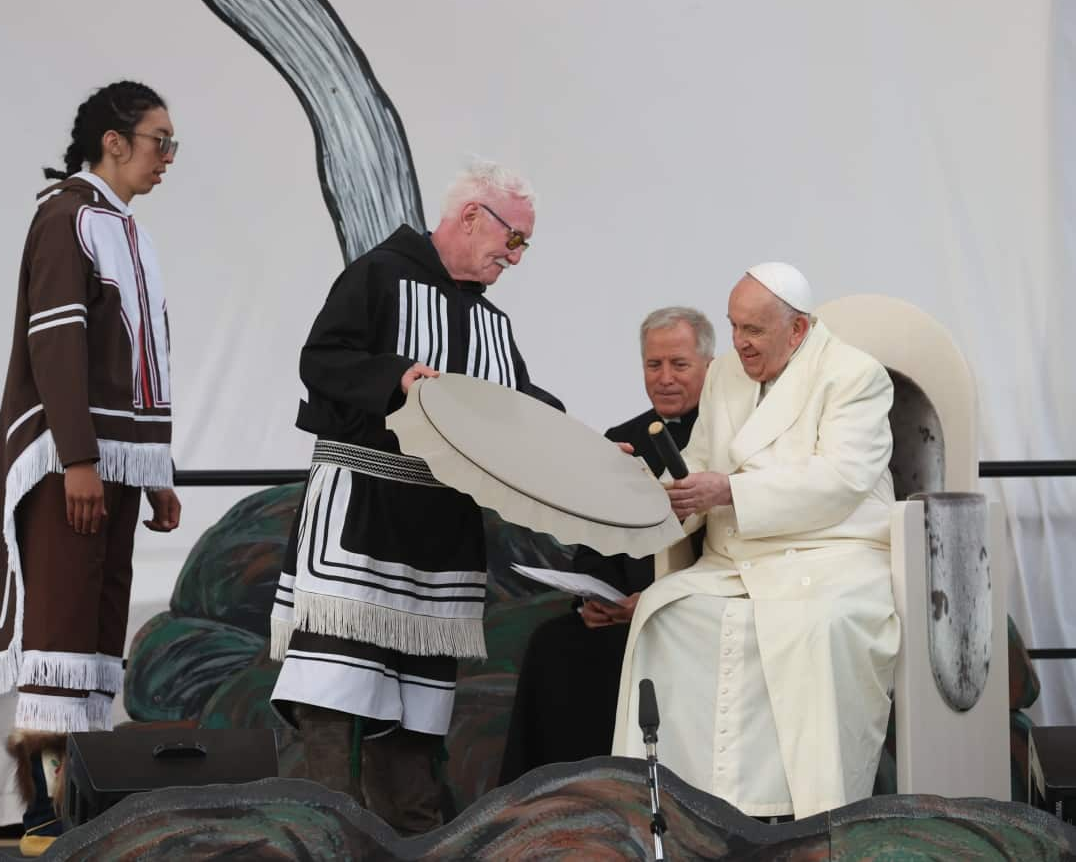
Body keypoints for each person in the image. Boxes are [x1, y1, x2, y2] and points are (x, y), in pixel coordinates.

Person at [269, 160, 559, 835]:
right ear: (468, 217)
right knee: (333, 705)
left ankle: (413, 845)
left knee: (414, 728)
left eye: (524, 246)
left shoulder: (495, 326)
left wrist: (593, 452)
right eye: (513, 240)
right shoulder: (377, 275)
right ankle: (326, 845)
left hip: (438, 540)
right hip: (361, 519)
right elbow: (321, 359)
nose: (515, 258)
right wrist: (395, 375)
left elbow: (523, 406)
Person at [0, 81, 182, 856]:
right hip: (69, 461)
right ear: (113, 141)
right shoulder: (66, 216)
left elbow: (142, 362)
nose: (168, 158)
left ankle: (80, 801)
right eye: (160, 140)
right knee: (55, 631)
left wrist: (154, 468)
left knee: (93, 636)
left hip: (115, 462)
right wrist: (81, 459)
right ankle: (37, 810)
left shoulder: (128, 229)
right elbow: (55, 342)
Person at [612, 263, 900, 821]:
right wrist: (654, 490)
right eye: (735, 326)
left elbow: (839, 481)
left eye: (754, 331)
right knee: (662, 614)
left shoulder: (854, 375)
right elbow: (697, 462)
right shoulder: (725, 374)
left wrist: (730, 491)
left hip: (832, 553)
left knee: (814, 626)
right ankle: (676, 800)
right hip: (736, 558)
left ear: (797, 330)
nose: (740, 343)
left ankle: (804, 811)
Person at [498, 306, 714, 784]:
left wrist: (656, 601)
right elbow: (594, 539)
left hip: (694, 610)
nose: (665, 378)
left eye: (679, 365)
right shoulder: (621, 440)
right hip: (620, 613)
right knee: (553, 645)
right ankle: (546, 799)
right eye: (653, 365)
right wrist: (594, 598)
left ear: (709, 367)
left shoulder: (726, 435)